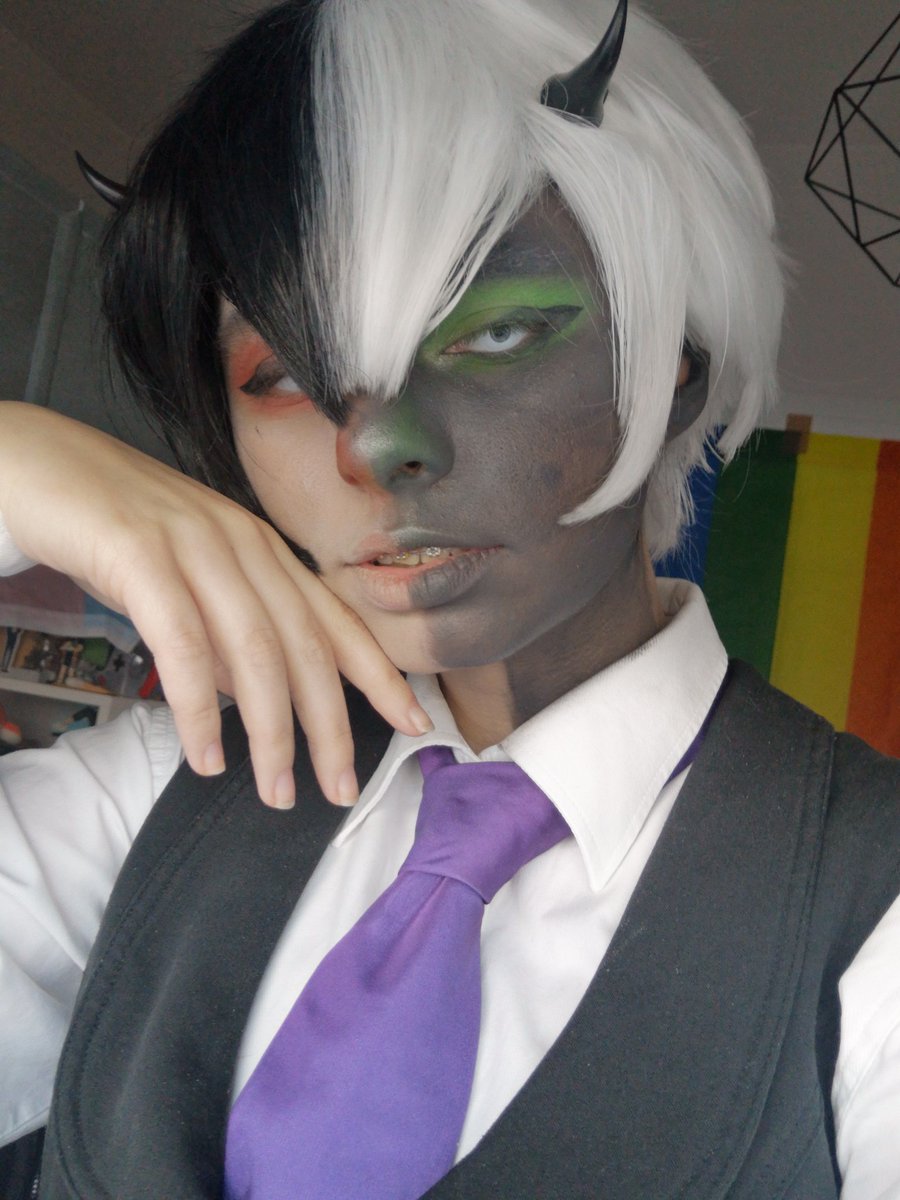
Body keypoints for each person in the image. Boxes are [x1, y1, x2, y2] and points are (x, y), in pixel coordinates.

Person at [0, 0, 897, 1196]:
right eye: (281, 373)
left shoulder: (873, 902)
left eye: (499, 332)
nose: (375, 450)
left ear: (671, 364)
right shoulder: (160, 787)